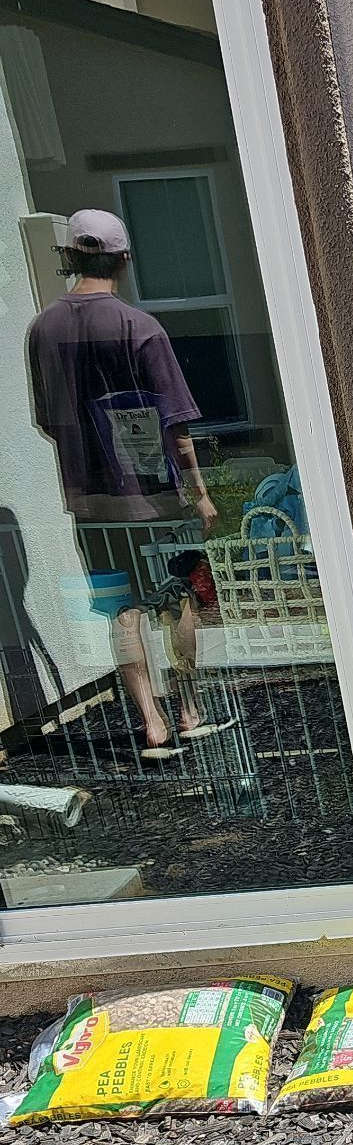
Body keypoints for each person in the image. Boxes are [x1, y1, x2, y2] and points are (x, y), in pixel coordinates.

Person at [26, 208, 221, 757]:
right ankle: (188, 710)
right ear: (125, 260)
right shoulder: (139, 327)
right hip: (155, 495)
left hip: (89, 499)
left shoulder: (42, 327)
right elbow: (175, 424)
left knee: (122, 608)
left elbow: (46, 419)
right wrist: (199, 494)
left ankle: (150, 723)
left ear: (71, 257)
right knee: (180, 596)